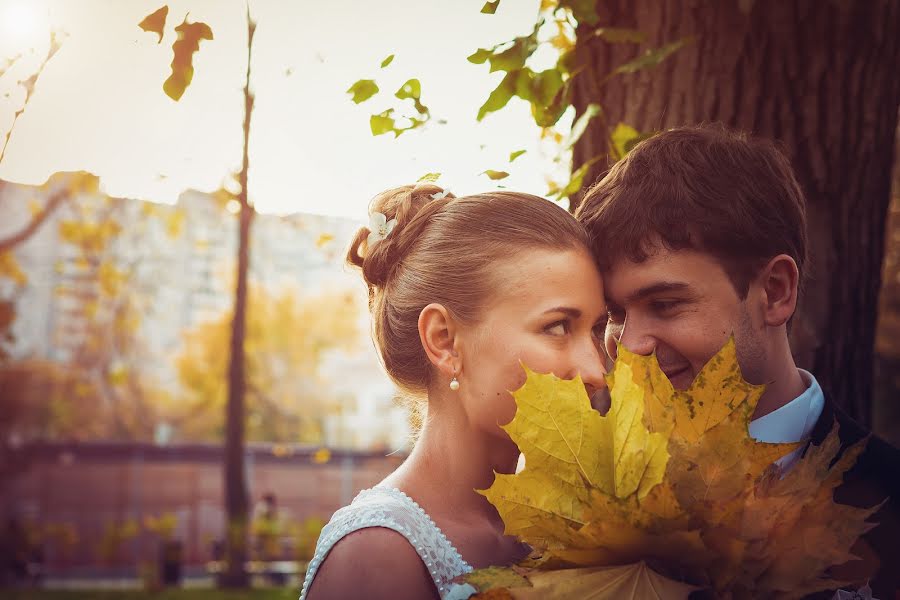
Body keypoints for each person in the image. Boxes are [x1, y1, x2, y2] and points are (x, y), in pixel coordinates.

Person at [575, 124, 900, 598]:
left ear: (774, 292)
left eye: (665, 304)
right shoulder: (581, 491)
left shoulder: (889, 500)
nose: (630, 345)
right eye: (616, 314)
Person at [301, 184, 608, 600]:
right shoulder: (375, 556)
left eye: (597, 328)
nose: (596, 370)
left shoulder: (574, 530)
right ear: (444, 340)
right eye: (556, 327)